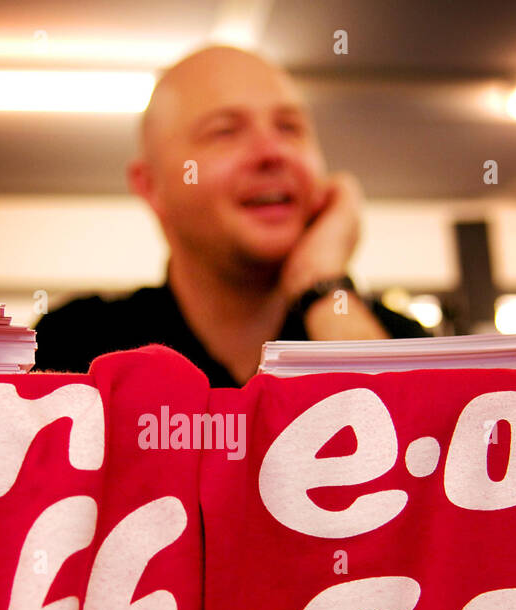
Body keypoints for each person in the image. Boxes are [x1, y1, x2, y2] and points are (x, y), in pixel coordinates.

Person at [32, 45, 428, 388]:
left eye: (290, 127)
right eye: (225, 132)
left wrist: (321, 287)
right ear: (151, 186)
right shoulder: (73, 349)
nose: (273, 152)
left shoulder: (403, 343)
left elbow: (411, 454)